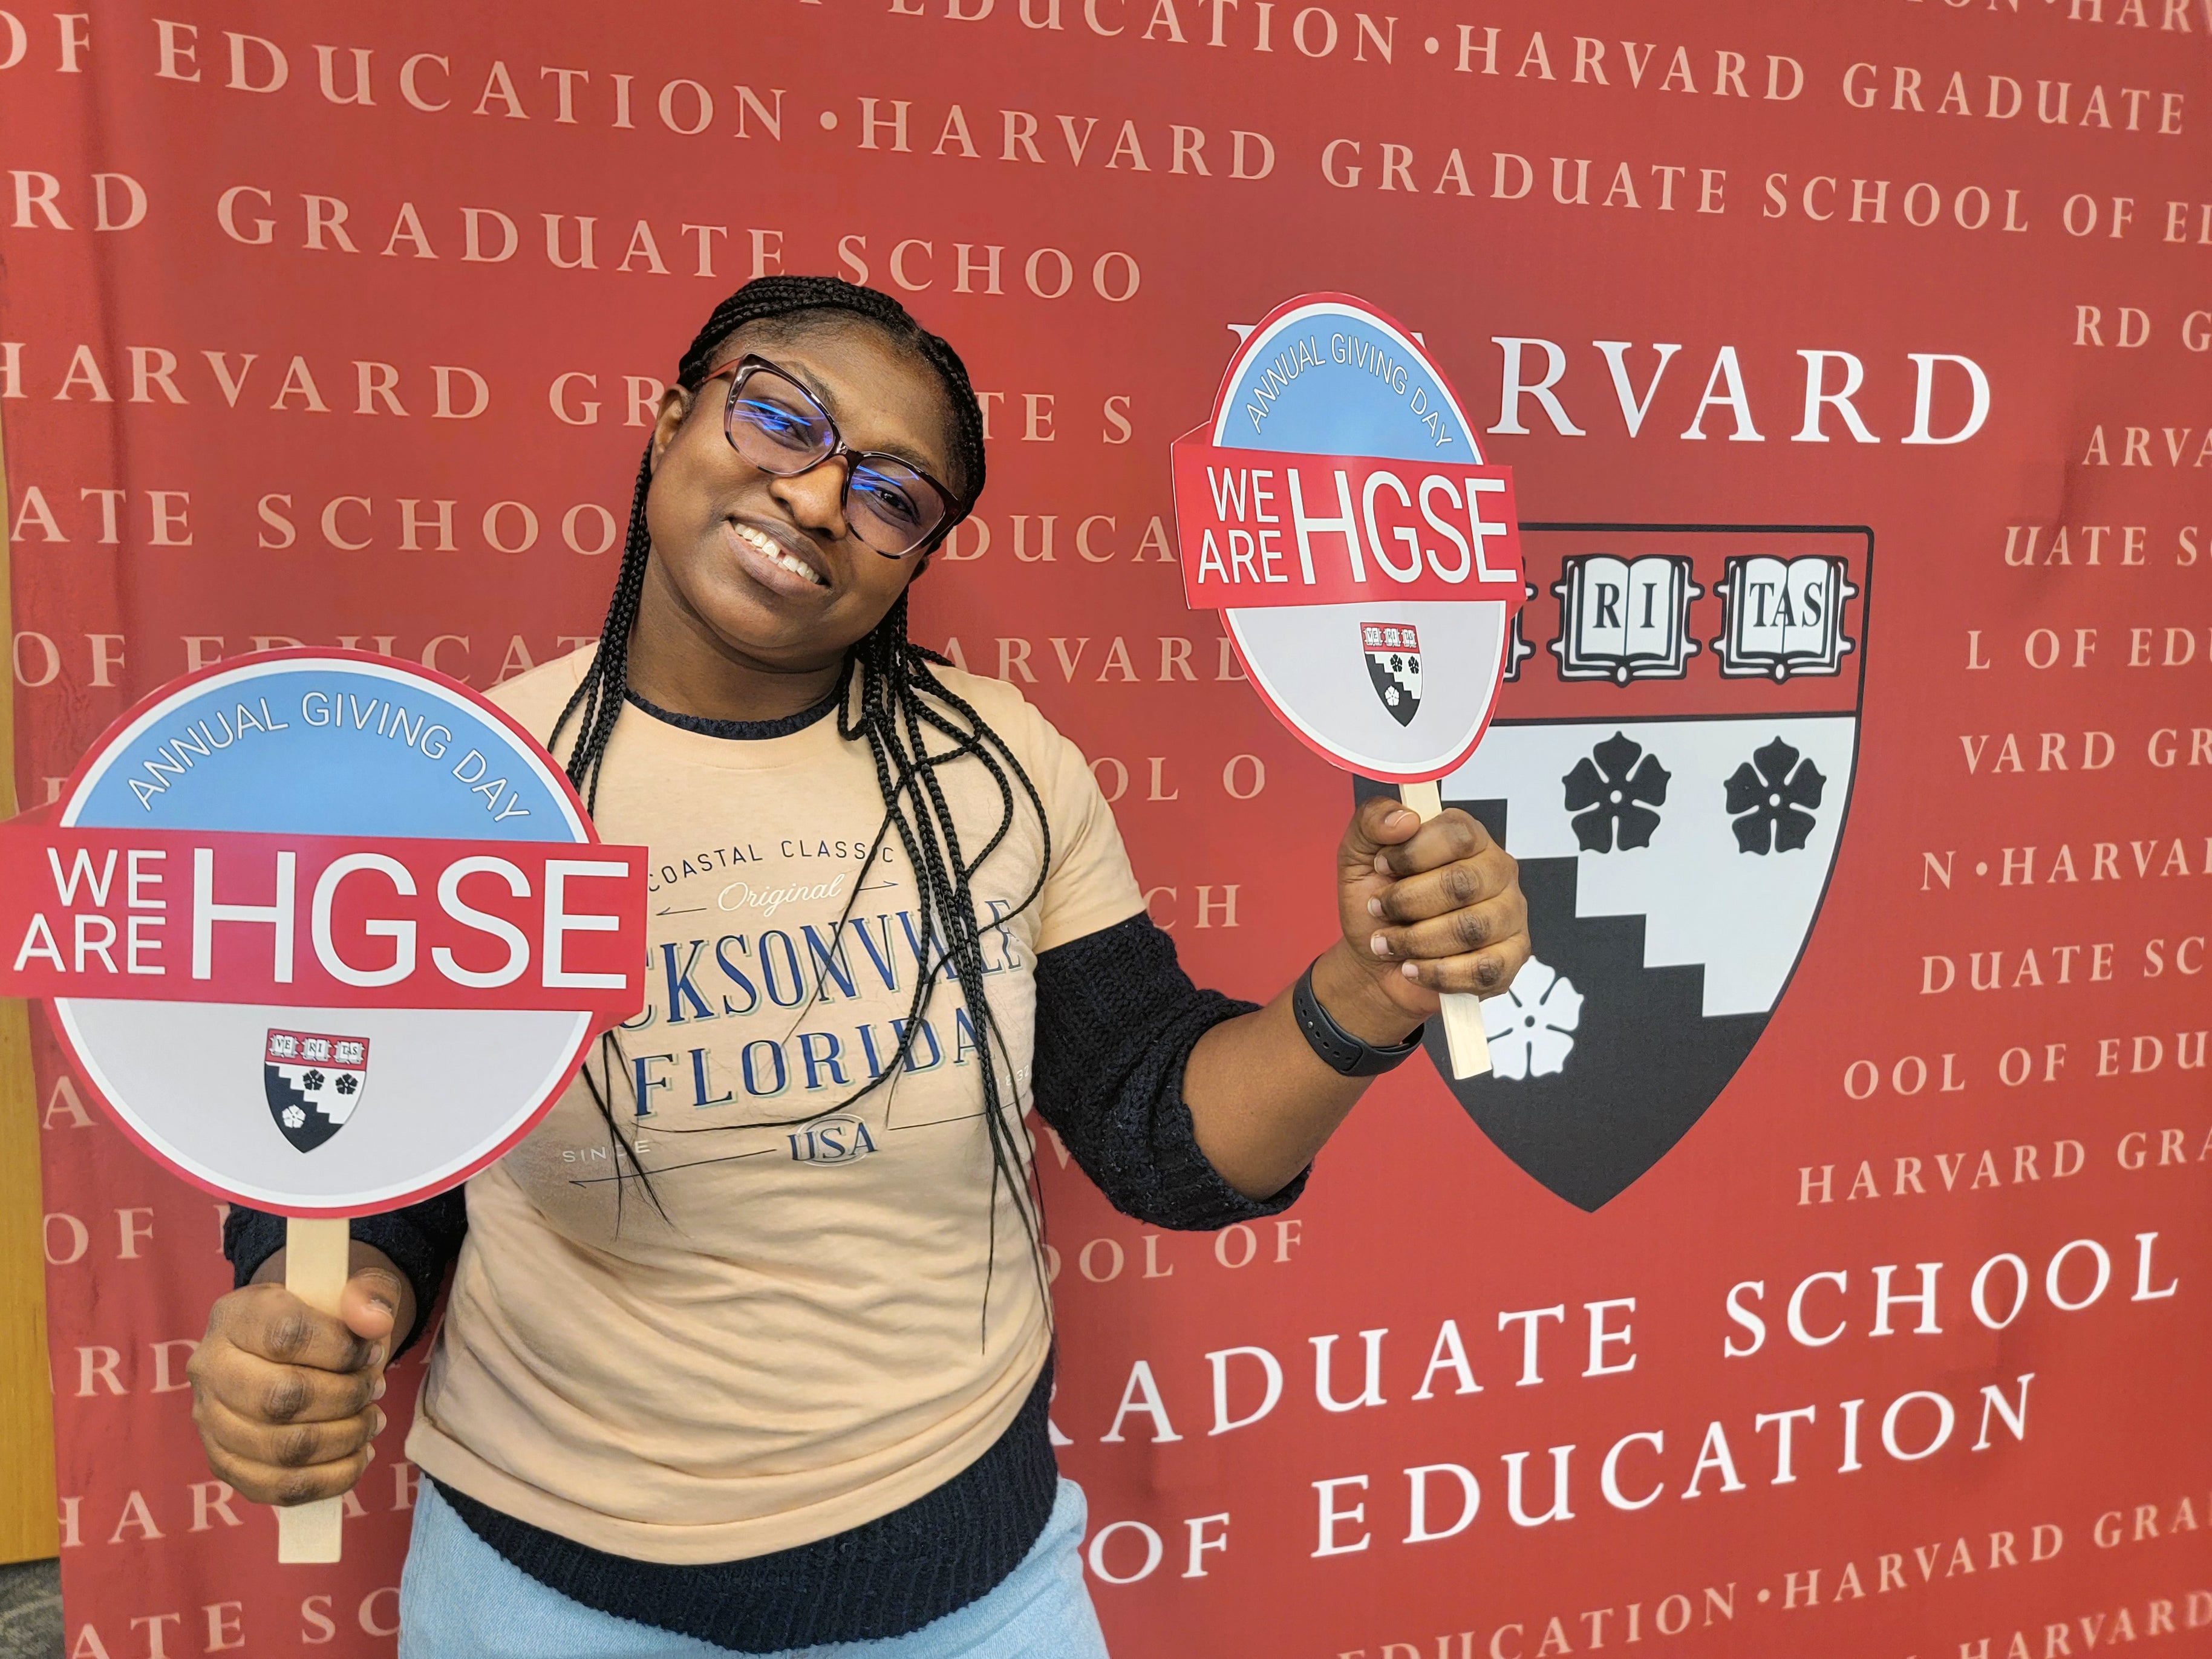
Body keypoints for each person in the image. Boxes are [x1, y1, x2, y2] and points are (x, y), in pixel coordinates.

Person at [188, 276, 1530, 1658]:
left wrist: (1367, 996)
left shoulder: (1002, 766)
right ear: (667, 423)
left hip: (967, 1594)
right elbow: (370, 1185)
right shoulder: (470, 791)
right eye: (780, 419)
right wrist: (317, 1326)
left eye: (894, 495)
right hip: (548, 1597)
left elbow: (1152, 1132)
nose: (821, 500)